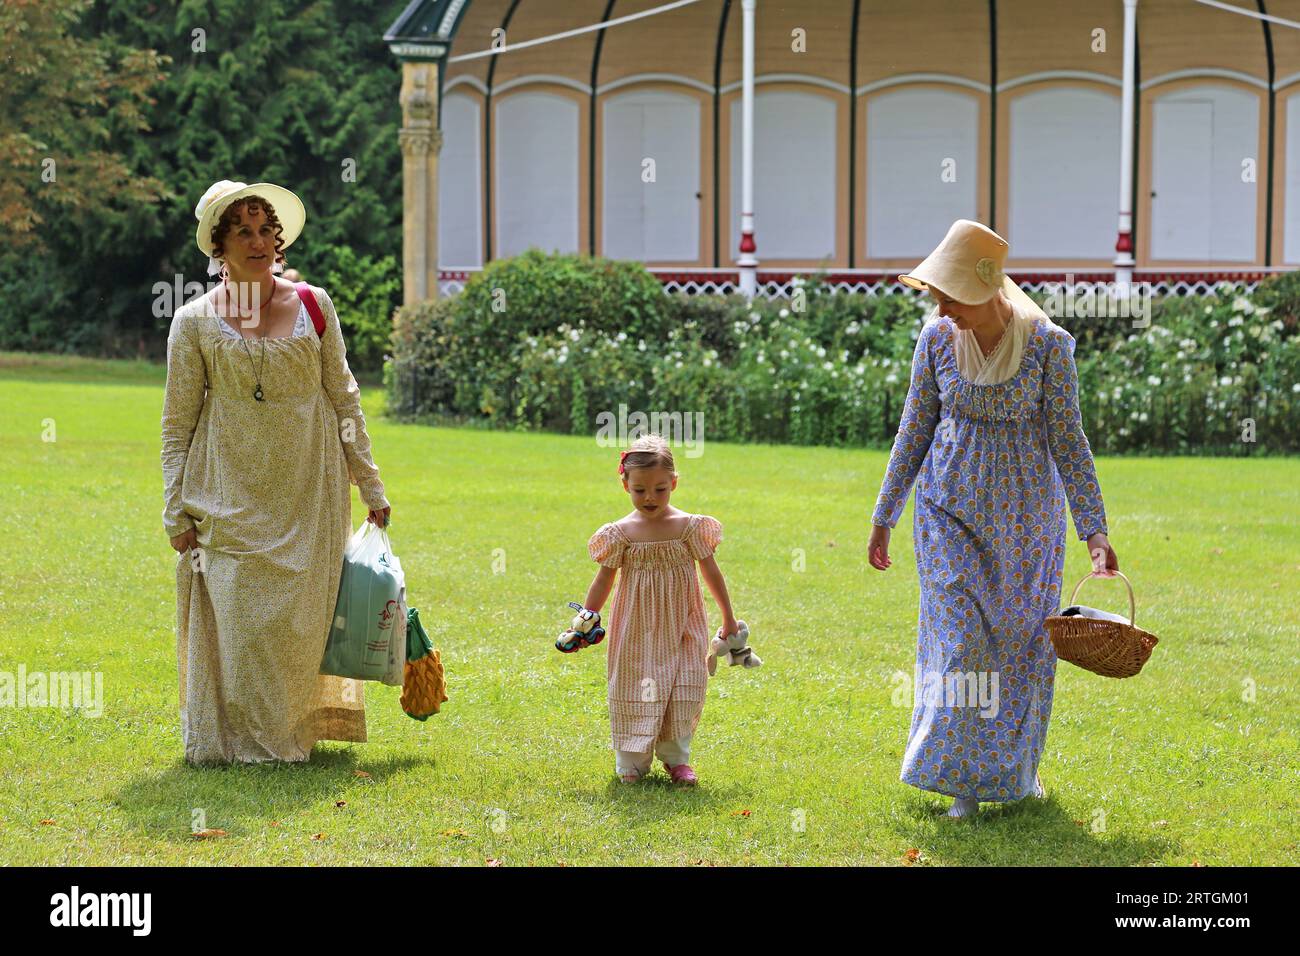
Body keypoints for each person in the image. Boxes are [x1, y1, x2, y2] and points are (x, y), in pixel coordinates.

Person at [868, 219, 1118, 818]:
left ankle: (1014, 770)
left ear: (986, 289)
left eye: (949, 295)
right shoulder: (934, 340)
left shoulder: (1049, 346)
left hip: (1027, 525)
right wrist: (885, 513)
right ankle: (961, 782)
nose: (942, 307)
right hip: (946, 513)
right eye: (938, 296)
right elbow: (914, 429)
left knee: (1020, 647)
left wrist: (1095, 530)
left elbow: (1069, 441)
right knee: (962, 644)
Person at [161, 179, 392, 763]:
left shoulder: (314, 305)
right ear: (219, 246)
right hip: (225, 486)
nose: (259, 241)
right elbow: (176, 423)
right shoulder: (192, 322)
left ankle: (289, 735)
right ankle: (237, 739)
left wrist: (369, 479)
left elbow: (344, 396)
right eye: (244, 231)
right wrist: (174, 508)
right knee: (242, 621)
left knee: (295, 623)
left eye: (267, 229)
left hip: (309, 485)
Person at [574, 434, 739, 785]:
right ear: (625, 485)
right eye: (640, 490)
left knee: (685, 685)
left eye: (660, 489)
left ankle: (677, 759)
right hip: (635, 624)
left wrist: (727, 616)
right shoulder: (620, 534)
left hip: (683, 622)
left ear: (674, 483)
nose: (650, 497)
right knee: (635, 684)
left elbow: (711, 572)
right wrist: (586, 618)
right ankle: (631, 763)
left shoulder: (689, 528)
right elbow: (604, 579)